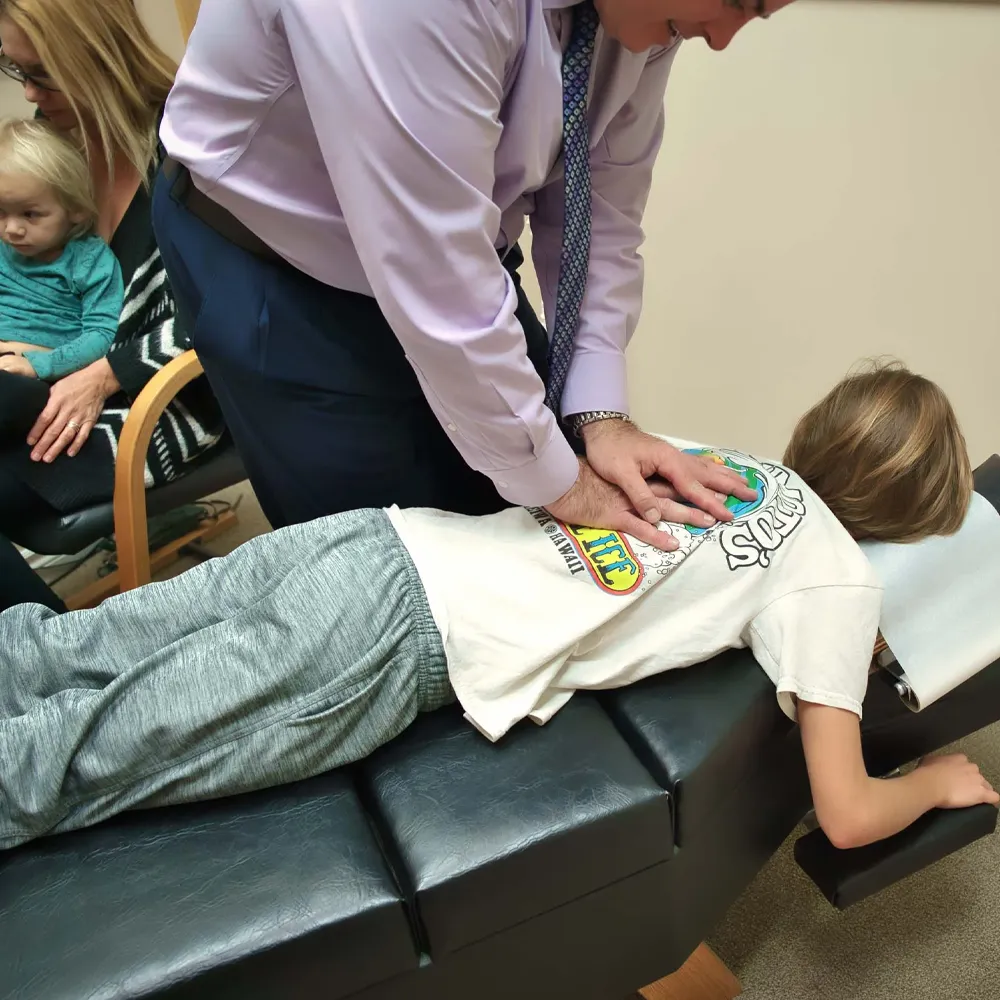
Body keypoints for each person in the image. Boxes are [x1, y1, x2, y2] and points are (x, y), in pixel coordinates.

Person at [2, 361, 997, 852]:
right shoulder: (838, 577)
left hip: (378, 539)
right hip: (393, 639)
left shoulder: (726, 465)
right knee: (93, 750)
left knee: (65, 648)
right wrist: (936, 780)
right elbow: (848, 810)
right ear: (911, 520)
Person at [152, 0, 796, 544]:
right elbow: (433, 265)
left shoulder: (639, 17)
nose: (723, 38)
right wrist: (561, 483)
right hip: (274, 255)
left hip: (456, 246)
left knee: (536, 508)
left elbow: (599, 209)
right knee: (390, 564)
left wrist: (601, 417)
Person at [0, 0, 223, 545]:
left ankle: (48, 633)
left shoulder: (189, 143)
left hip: (156, 396)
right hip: (46, 380)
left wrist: (103, 374)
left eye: (43, 74)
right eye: (15, 70)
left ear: (97, 55)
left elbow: (230, 308)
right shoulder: (53, 138)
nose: (29, 94)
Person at [0, 118, 124, 445]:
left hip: (45, 378)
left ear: (75, 210)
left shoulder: (90, 262)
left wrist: (37, 363)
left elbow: (102, 335)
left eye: (30, 214)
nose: (12, 229)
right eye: (0, 212)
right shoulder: (3, 250)